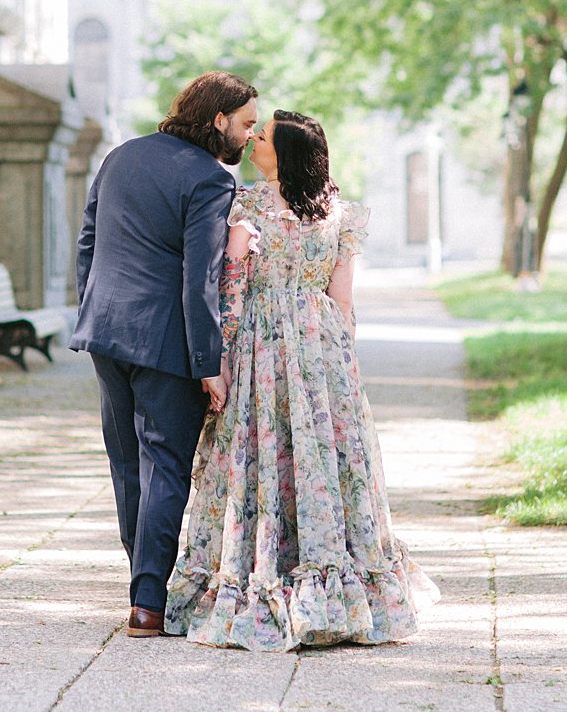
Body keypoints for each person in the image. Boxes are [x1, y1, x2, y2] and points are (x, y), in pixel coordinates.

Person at [165, 111, 436, 650]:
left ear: (281, 155)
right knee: (321, 458)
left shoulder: (248, 208)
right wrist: (345, 369)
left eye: (262, 137)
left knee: (262, 456)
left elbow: (232, 289)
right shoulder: (338, 213)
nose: (253, 140)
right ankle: (331, 583)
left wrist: (219, 358)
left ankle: (267, 580)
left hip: (263, 348)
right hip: (321, 352)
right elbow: (343, 301)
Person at [72, 70, 258, 640]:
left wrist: (93, 307)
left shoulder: (120, 156)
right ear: (218, 118)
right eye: (248, 123)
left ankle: (142, 593)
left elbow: (87, 243)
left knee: (128, 465)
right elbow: (198, 277)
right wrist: (209, 362)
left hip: (106, 331)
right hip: (165, 341)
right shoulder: (210, 180)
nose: (251, 136)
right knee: (167, 467)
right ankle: (148, 602)